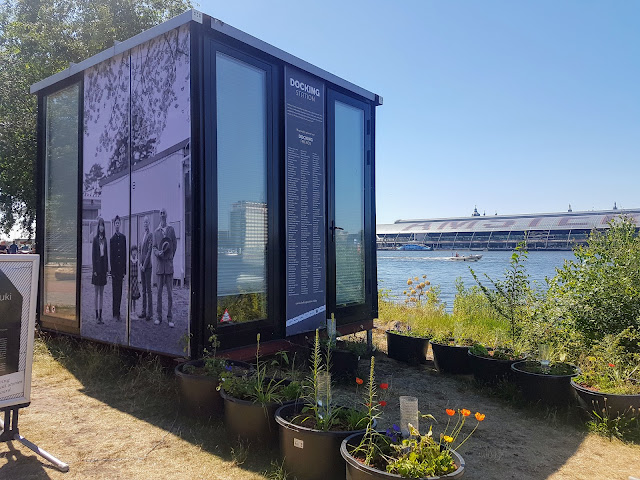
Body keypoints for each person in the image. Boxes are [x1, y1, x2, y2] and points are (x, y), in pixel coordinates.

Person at [152, 208, 176, 327]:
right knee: (159, 293)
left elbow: (174, 246)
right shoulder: (156, 232)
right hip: (160, 268)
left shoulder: (171, 230)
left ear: (166, 215)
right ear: (159, 216)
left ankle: (170, 318)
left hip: (169, 267)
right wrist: (158, 253)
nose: (162, 215)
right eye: (160, 213)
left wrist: (169, 257)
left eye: (164, 213)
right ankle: (159, 317)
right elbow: (154, 247)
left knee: (170, 294)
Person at [110, 215, 127, 321]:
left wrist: (124, 269)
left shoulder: (123, 238)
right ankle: (114, 312)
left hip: (121, 270)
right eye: (115, 223)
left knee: (120, 291)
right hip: (115, 271)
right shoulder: (112, 239)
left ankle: (119, 312)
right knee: (114, 291)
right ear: (114, 224)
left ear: (120, 224)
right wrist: (112, 271)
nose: (117, 225)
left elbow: (124, 254)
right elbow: (111, 256)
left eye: (118, 223)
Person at [91, 217, 108, 324]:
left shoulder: (105, 240)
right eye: (100, 225)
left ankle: (101, 316)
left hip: (103, 268)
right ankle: (96, 315)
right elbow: (93, 256)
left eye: (103, 225)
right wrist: (94, 270)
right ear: (98, 227)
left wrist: (106, 270)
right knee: (96, 292)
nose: (101, 227)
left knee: (102, 293)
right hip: (97, 269)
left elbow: (105, 256)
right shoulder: (95, 239)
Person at [138, 216, 153, 320]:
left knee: (148, 290)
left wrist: (144, 265)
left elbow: (149, 251)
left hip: (147, 267)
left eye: (147, 222)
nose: (145, 224)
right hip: (141, 266)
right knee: (143, 290)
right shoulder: (142, 235)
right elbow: (139, 250)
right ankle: (143, 311)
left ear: (149, 224)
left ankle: (149, 313)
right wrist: (140, 263)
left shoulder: (150, 235)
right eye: (144, 222)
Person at [130, 245, 140, 315]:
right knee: (130, 296)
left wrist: (139, 281)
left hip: (135, 280)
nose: (134, 253)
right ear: (131, 252)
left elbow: (138, 272)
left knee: (134, 297)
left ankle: (134, 311)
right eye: (133, 251)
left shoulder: (137, 261)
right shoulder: (129, 261)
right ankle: (130, 311)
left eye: (135, 251)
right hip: (130, 280)